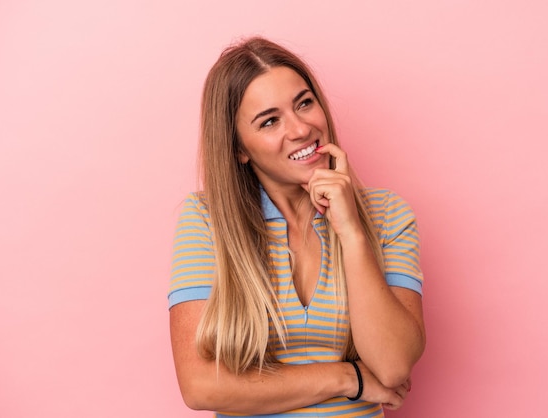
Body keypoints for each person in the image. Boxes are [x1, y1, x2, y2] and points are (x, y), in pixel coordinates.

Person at [168, 37, 425, 417]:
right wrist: (347, 378)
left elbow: (392, 365)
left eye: (304, 103)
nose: (301, 129)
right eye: (270, 121)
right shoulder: (207, 221)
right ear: (240, 148)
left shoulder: (388, 214)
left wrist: (351, 232)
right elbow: (201, 386)